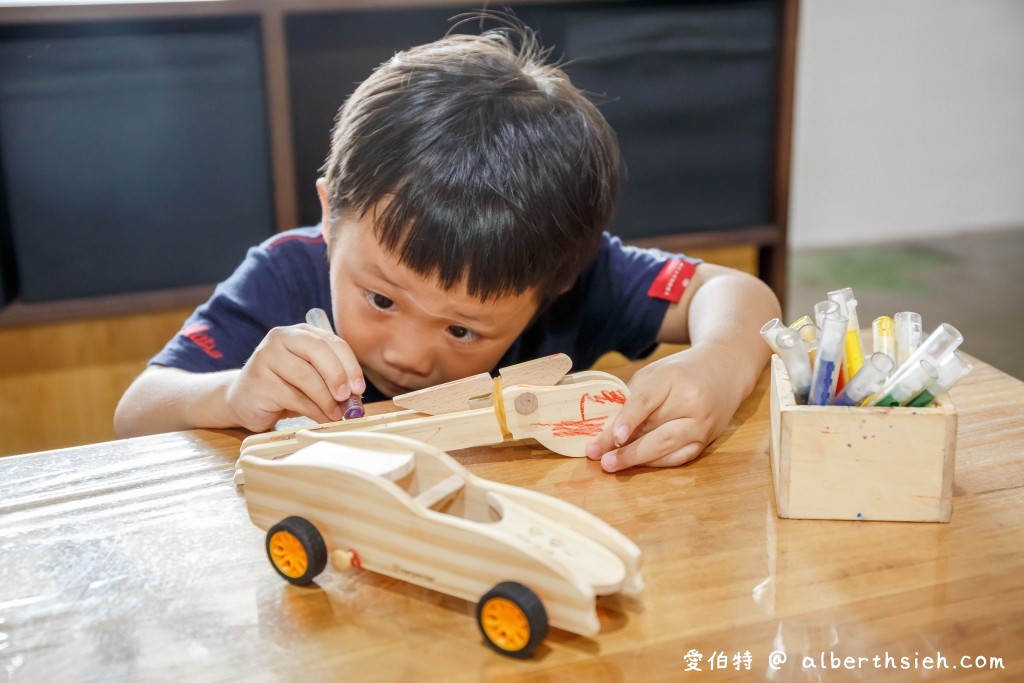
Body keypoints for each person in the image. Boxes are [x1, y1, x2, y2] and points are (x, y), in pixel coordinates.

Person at [114, 27, 781, 473]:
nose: (406, 353)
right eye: (381, 297)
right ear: (329, 216)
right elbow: (135, 413)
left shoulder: (569, 272)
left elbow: (737, 294)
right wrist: (232, 395)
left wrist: (719, 366)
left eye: (462, 327)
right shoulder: (284, 272)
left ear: (556, 288)